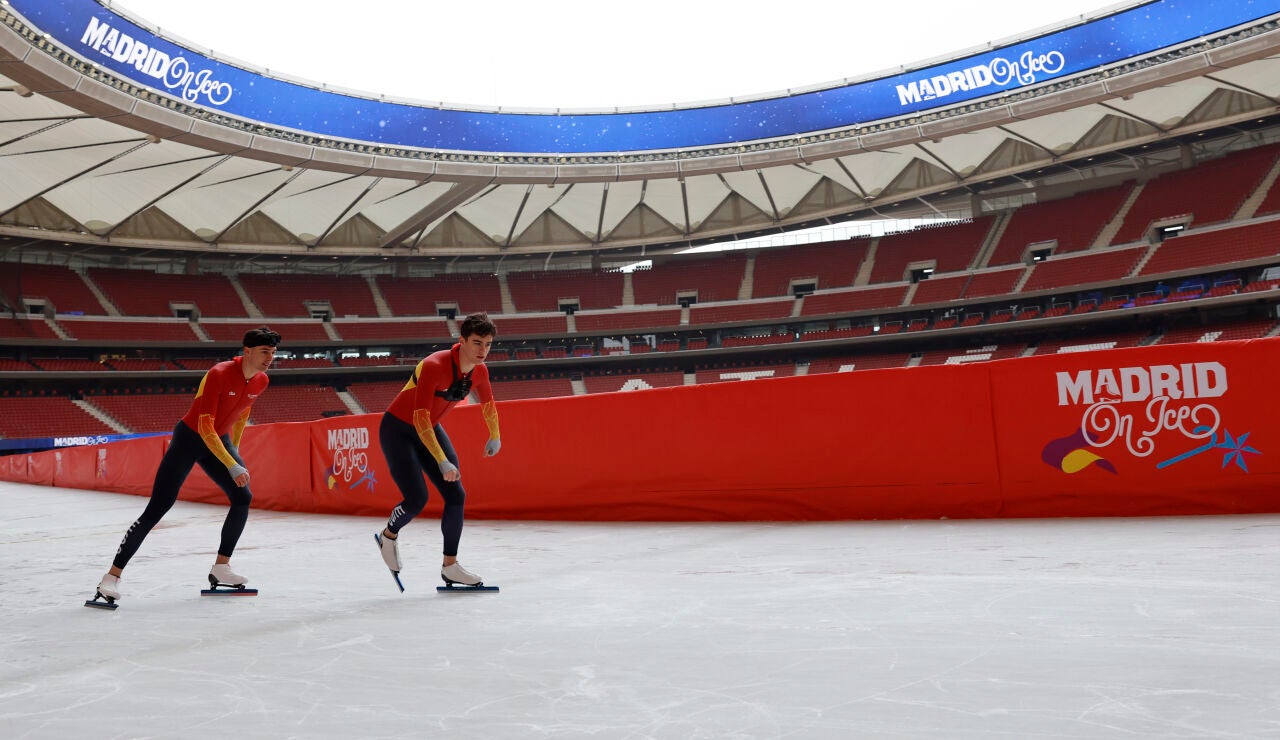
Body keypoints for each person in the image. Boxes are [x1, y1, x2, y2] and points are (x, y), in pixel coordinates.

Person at [92, 326, 281, 604]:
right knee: (158, 508)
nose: (270, 357)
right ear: (247, 351)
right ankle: (110, 578)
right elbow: (205, 425)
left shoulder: (261, 381)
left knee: (242, 497)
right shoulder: (219, 373)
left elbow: (242, 415)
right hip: (190, 439)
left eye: (274, 353)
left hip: (221, 440)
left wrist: (234, 453)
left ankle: (221, 568)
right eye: (265, 351)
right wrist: (231, 464)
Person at [376, 312, 502, 587]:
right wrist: (442, 460)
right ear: (462, 341)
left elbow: (488, 404)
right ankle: (389, 535)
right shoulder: (434, 365)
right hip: (398, 430)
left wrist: (495, 434)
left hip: (429, 428)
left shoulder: (480, 370)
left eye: (489, 344)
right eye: (477, 343)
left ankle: (450, 566)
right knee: (416, 499)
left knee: (456, 495)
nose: (483, 351)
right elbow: (420, 417)